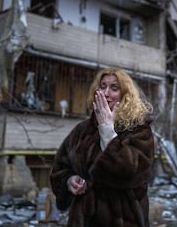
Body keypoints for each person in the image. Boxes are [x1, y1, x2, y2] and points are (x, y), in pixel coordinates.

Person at [50, 67, 155, 227]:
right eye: (102, 86)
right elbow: (60, 168)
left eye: (114, 88)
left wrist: (107, 129)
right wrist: (70, 180)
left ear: (125, 94)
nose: (106, 93)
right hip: (83, 219)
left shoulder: (138, 129)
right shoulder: (83, 129)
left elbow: (131, 172)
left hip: (123, 218)